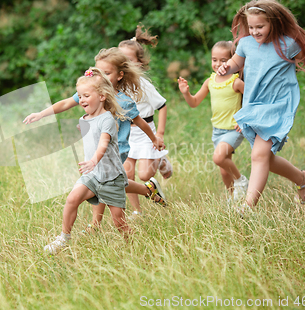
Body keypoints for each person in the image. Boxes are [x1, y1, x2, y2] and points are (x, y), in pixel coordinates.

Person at [217, 0, 305, 212]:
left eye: (260, 27)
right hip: (254, 104)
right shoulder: (246, 44)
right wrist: (227, 68)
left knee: (259, 155)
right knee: (266, 156)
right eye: (251, 27)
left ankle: (247, 208)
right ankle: (303, 179)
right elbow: (236, 63)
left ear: (274, 23)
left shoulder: (287, 44)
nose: (255, 31)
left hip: (278, 105)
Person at [23, 48, 167, 228]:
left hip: (115, 151)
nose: (103, 78)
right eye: (100, 73)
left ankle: (95, 224)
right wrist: (42, 114)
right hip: (95, 149)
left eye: (108, 73)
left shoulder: (124, 102)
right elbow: (67, 102)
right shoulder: (91, 92)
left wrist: (154, 138)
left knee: (101, 182)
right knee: (113, 183)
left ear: (120, 75)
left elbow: (141, 123)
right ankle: (148, 190)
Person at [44, 68, 130, 254]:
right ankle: (64, 238)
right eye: (79, 96)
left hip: (110, 177)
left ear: (101, 96)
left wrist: (93, 160)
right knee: (72, 199)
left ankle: (131, 247)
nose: (81, 100)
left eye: (85, 96)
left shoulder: (107, 119)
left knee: (119, 223)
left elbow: (103, 144)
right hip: (92, 175)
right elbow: (91, 136)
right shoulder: (85, 118)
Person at [178, 41, 248, 204]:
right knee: (224, 171)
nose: (218, 64)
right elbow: (194, 102)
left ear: (233, 60)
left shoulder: (236, 81)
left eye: (223, 60)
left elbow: (252, 100)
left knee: (218, 158)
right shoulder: (210, 81)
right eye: (214, 59)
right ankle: (233, 199)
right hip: (217, 131)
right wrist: (186, 93)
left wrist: (244, 119)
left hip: (233, 130)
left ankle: (241, 181)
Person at [118, 25, 173, 219]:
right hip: (126, 133)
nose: (124, 65)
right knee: (126, 175)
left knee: (144, 176)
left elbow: (163, 106)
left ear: (139, 63)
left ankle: (160, 159)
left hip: (146, 132)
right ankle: (137, 210)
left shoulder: (142, 84)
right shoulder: (115, 85)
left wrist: (160, 134)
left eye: (129, 61)